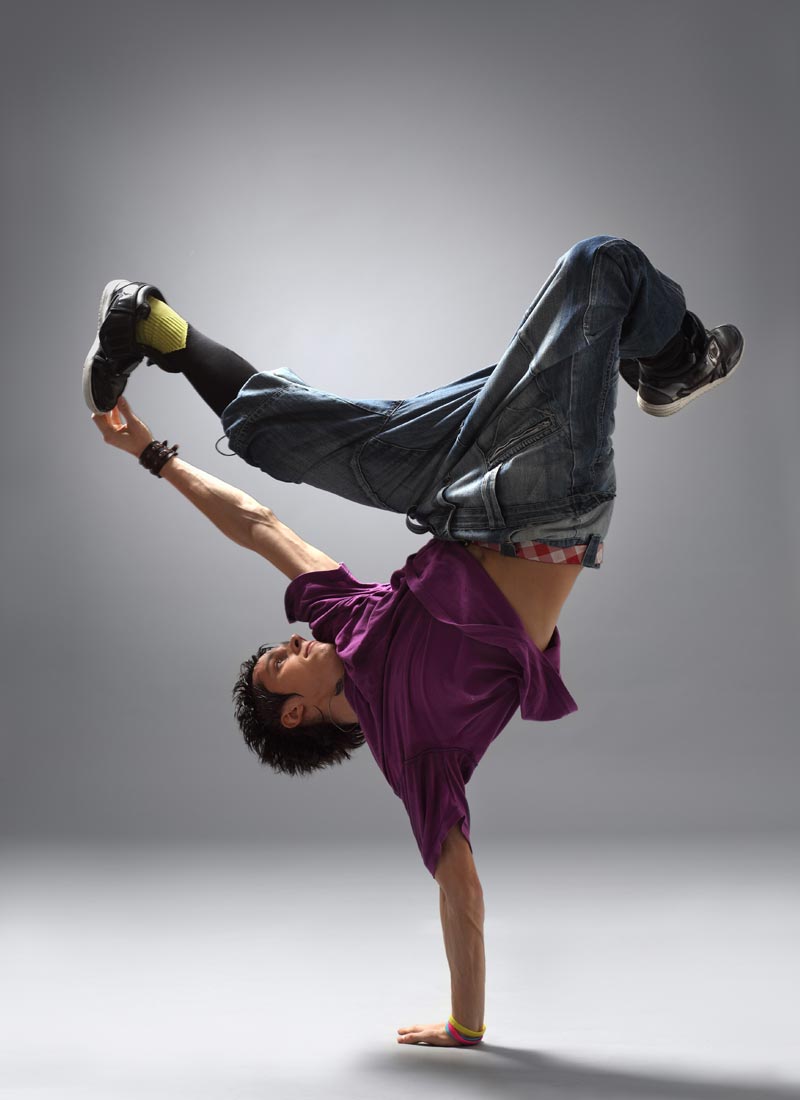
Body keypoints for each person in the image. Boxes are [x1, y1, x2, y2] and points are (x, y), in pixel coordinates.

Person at [84, 235, 743, 1048]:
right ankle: (678, 355)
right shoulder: (413, 752)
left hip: (459, 485)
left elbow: (257, 526)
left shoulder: (345, 617)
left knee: (287, 437)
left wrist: (153, 455)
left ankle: (151, 326)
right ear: (296, 713)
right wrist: (466, 1024)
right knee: (600, 267)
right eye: (279, 662)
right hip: (549, 507)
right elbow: (461, 890)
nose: (291, 641)